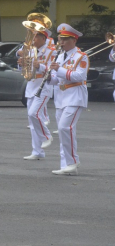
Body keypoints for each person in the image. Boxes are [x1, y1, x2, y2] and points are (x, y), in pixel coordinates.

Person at [47, 23, 89, 176]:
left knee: (65, 128)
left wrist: (59, 69)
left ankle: (73, 161)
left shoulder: (81, 56)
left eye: (65, 39)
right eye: (60, 39)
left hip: (75, 96)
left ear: (74, 40)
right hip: (61, 97)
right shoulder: (59, 55)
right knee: (64, 131)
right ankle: (66, 165)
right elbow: (55, 80)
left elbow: (79, 76)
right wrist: (47, 75)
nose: (61, 42)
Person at [19, 27, 56, 161]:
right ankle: (37, 151)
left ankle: (47, 136)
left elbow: (53, 70)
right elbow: (25, 70)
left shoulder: (51, 52)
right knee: (32, 121)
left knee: (34, 113)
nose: (32, 40)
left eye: (35, 37)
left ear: (43, 38)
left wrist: (38, 65)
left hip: (44, 87)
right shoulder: (30, 51)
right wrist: (22, 63)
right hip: (31, 86)